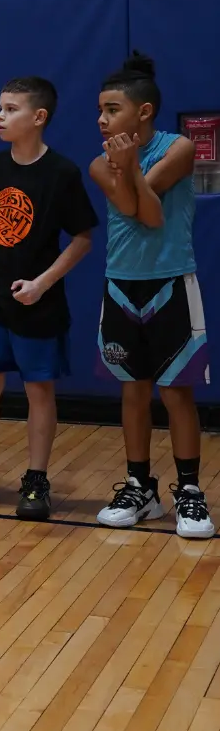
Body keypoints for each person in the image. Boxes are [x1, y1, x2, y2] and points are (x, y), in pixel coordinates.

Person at [0, 77, 97, 521]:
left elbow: (83, 239)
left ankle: (36, 480)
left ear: (38, 117)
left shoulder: (62, 173)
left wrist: (43, 283)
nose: (0, 116)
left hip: (37, 304)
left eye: (10, 109)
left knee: (38, 389)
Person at [90, 52, 213, 538]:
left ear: (142, 112)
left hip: (171, 281)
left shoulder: (179, 147)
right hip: (120, 283)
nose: (102, 119)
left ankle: (189, 492)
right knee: (133, 391)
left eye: (112, 108)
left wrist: (131, 167)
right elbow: (127, 204)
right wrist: (122, 169)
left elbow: (152, 212)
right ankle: (140, 487)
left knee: (176, 391)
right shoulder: (99, 164)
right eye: (99, 110)